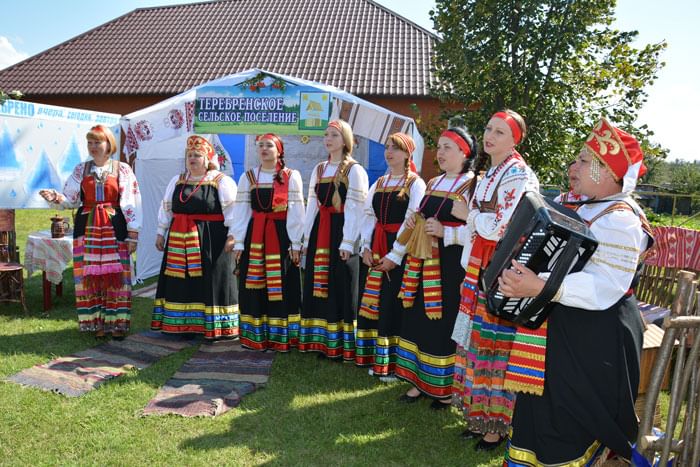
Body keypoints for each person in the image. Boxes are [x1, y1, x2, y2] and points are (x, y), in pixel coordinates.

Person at [500, 118, 652, 465]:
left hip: (597, 337)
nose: (574, 166)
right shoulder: (581, 205)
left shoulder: (621, 218)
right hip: (565, 327)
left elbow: (606, 285)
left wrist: (539, 286)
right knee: (545, 404)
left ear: (608, 171)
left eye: (585, 160)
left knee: (570, 413)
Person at [450, 110, 540, 451]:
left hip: (502, 270)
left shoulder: (518, 174)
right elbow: (478, 233)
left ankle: (495, 427)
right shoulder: (488, 174)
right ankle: (477, 416)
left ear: (514, 139)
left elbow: (500, 227)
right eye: (488, 129)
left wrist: (468, 214)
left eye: (500, 132)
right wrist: (466, 274)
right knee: (474, 343)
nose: (490, 136)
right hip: (479, 267)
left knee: (495, 346)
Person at [394, 122, 477, 409]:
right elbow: (421, 215)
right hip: (422, 261)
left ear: (464, 153)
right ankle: (419, 381)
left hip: (451, 265)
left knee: (443, 323)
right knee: (418, 319)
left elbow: (480, 232)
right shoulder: (433, 182)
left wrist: (446, 232)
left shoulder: (472, 186)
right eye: (439, 147)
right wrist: (413, 221)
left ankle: (442, 387)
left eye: (447, 148)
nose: (440, 152)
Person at [40, 125, 142, 339]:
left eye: (98, 142)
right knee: (89, 277)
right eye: (90, 143)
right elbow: (71, 199)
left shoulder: (122, 169)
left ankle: (117, 324)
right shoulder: (81, 170)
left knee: (117, 277)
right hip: (86, 228)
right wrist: (56, 198)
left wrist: (133, 233)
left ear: (109, 145)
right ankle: (96, 324)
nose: (93, 147)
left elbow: (132, 202)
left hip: (115, 228)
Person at [151, 135, 239, 341]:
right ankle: (182, 326)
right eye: (189, 155)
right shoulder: (178, 180)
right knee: (181, 282)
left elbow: (233, 210)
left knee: (210, 280)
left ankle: (216, 327)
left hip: (211, 240)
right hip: (178, 240)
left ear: (208, 158)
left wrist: (233, 236)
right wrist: (160, 231)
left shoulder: (221, 181)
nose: (192, 158)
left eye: (197, 155)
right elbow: (166, 207)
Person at [355, 133, 426, 379]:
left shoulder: (415, 183)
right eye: (387, 147)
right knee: (375, 301)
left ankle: (394, 366)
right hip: (376, 246)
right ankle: (371, 358)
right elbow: (369, 216)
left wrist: (395, 255)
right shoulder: (381, 182)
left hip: (401, 251)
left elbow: (413, 221)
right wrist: (365, 246)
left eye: (395, 148)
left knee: (394, 304)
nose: (389, 152)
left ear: (407, 154)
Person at [299, 119, 368, 360]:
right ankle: (321, 342)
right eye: (326, 135)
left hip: (341, 232)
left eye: (334, 136)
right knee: (319, 285)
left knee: (340, 285)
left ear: (346, 140)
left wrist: (349, 242)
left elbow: (357, 209)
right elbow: (312, 207)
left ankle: (341, 346)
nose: (328, 139)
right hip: (321, 231)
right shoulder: (319, 169)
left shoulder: (354, 170)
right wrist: (306, 239)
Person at [231, 133, 305, 351]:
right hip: (255, 237)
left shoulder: (291, 176)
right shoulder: (249, 177)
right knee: (254, 286)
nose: (264, 149)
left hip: (281, 237)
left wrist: (295, 243)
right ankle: (255, 337)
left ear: (279, 150)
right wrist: (239, 242)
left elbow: (297, 211)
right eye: (260, 145)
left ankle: (281, 337)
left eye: (269, 145)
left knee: (281, 283)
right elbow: (242, 211)